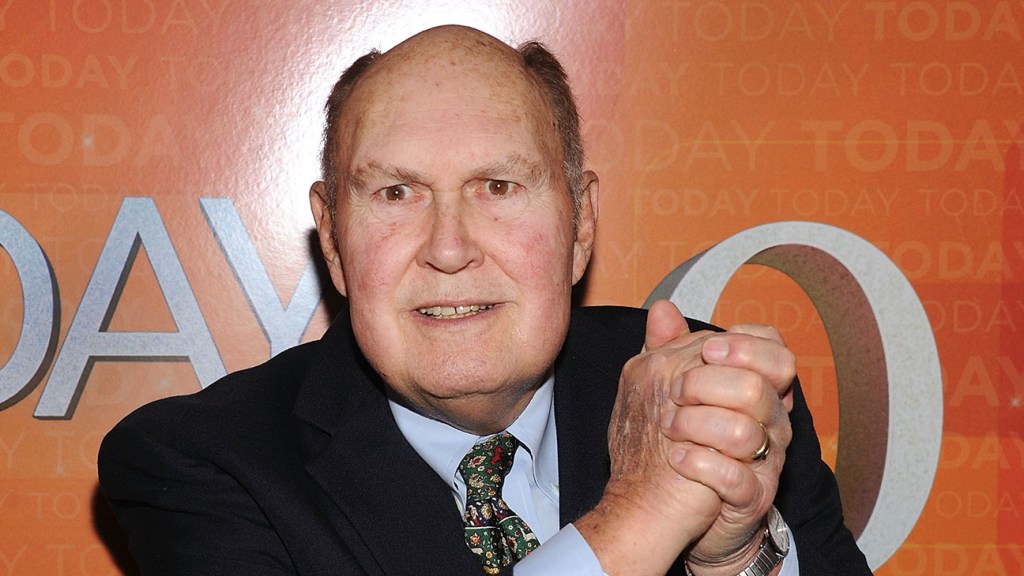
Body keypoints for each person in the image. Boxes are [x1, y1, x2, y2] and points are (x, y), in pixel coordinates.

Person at [98, 25, 871, 576]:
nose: (448, 247)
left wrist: (736, 557)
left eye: (498, 187)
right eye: (396, 193)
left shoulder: (705, 399)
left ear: (581, 224)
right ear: (332, 239)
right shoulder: (204, 463)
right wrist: (639, 520)